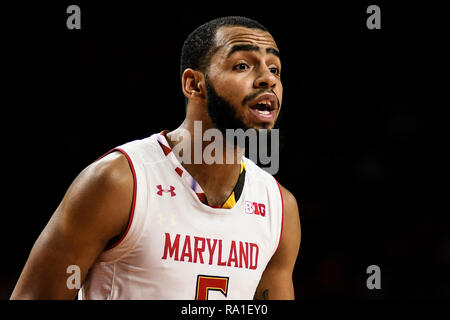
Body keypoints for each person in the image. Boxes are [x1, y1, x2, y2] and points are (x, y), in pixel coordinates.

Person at [11, 16, 301, 300]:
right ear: (194, 84)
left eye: (275, 69)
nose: (268, 80)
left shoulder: (279, 207)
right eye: (243, 65)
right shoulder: (118, 182)